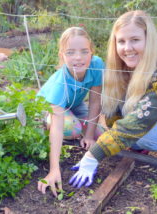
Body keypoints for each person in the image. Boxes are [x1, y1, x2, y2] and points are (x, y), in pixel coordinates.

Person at [69, 10, 157, 188]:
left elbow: (141, 120)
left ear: (148, 39)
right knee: (128, 128)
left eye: (135, 40)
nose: (127, 48)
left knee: (144, 136)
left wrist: (93, 155)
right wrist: (116, 135)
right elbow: (115, 107)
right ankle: (144, 145)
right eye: (121, 41)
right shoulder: (124, 64)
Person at [37, 27, 105, 196]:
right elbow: (58, 128)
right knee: (73, 129)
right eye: (70, 52)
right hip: (49, 109)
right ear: (62, 55)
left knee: (101, 136)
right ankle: (42, 124)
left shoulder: (96, 65)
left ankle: (81, 128)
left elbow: (95, 102)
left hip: (74, 105)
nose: (78, 57)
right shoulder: (60, 85)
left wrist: (89, 135)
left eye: (84, 51)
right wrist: (54, 169)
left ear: (91, 52)